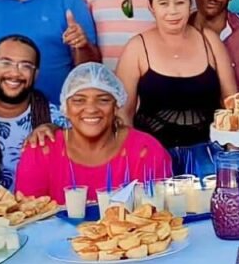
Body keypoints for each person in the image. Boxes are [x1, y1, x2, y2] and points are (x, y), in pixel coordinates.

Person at [115, 0, 237, 174]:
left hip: (209, 159)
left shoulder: (210, 42)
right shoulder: (137, 47)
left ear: (190, 3)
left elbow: (231, 103)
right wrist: (134, 158)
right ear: (151, 7)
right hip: (153, 158)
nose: (172, 11)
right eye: (163, 3)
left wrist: (233, 157)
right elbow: (123, 113)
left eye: (180, 2)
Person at [16, 63, 172, 204]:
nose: (91, 109)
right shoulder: (41, 149)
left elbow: (158, 218)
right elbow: (29, 218)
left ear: (116, 106)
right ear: (65, 108)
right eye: (79, 100)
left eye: (103, 100)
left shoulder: (145, 150)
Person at [0, 35, 67, 190]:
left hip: (43, 212)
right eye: (6, 63)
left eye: (26, 66)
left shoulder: (57, 121)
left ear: (35, 75)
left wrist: (59, 133)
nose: (15, 73)